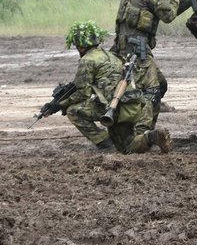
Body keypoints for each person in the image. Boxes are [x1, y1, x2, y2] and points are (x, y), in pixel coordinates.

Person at [40, 21, 172, 154]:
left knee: (73, 111)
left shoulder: (87, 60)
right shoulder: (112, 56)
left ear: (80, 47)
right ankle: (153, 136)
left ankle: (105, 143)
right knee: (128, 146)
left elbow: (83, 94)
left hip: (114, 108)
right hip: (131, 105)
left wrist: (60, 105)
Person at [112, 0, 188, 125]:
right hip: (137, 50)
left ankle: (137, 122)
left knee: (157, 85)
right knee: (154, 90)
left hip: (125, 47)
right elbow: (168, 15)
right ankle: (143, 129)